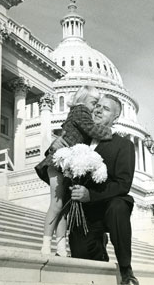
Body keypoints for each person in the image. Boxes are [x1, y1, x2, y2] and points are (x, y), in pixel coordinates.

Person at [55, 94, 139, 285]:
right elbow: (53, 169)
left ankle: (126, 270)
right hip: (85, 212)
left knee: (119, 206)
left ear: (115, 117)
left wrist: (90, 195)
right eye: (98, 105)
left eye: (106, 109)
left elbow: (123, 184)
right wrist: (55, 149)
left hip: (110, 205)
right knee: (81, 254)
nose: (99, 110)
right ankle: (99, 247)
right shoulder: (78, 140)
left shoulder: (123, 145)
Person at [35, 86, 112, 256]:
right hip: (60, 161)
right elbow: (93, 130)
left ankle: (61, 248)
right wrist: (109, 130)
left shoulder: (79, 113)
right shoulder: (81, 111)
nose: (96, 108)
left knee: (64, 210)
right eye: (94, 103)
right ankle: (46, 244)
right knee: (56, 206)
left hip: (69, 164)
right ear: (84, 100)